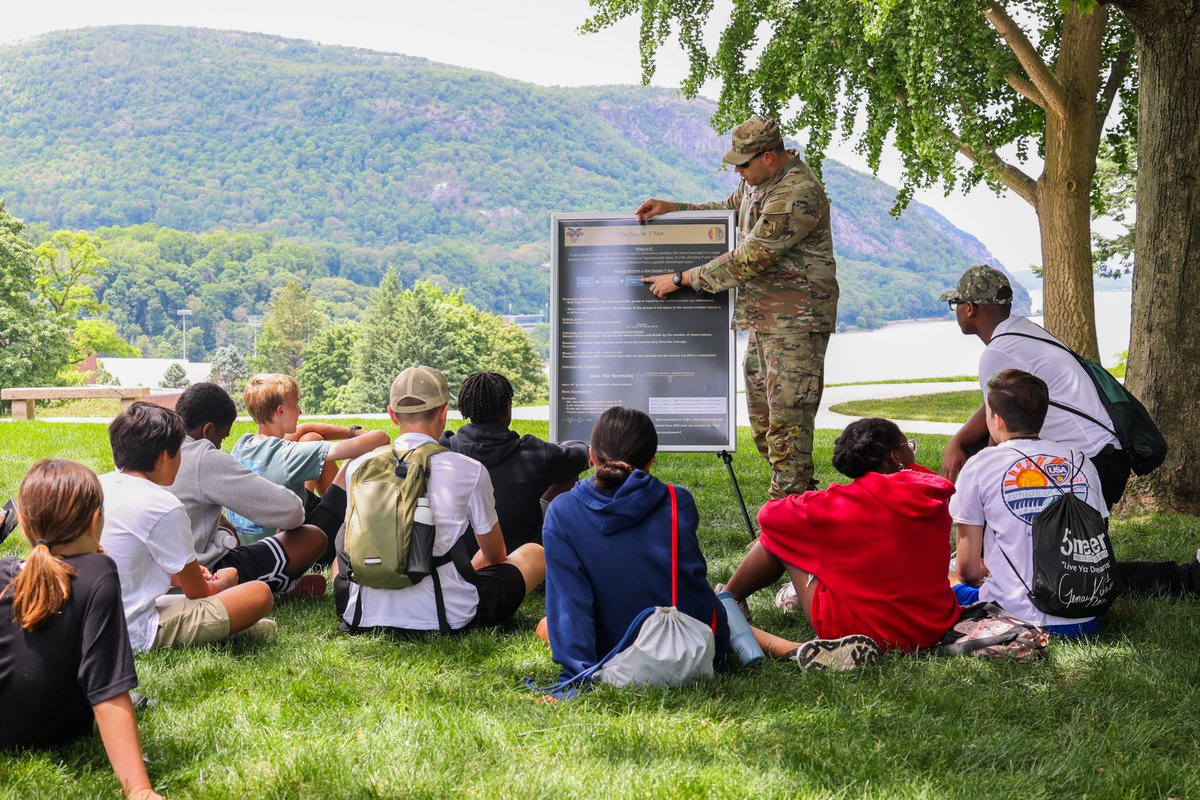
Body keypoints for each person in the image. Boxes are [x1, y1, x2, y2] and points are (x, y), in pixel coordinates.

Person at [636, 114, 839, 499]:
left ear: (768, 157)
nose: (737, 171)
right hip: (764, 320)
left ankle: (785, 519)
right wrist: (674, 207)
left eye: (743, 164)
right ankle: (800, 504)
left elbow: (752, 256)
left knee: (788, 427)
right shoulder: (757, 183)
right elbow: (728, 210)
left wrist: (681, 279)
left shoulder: (795, 193)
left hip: (796, 325)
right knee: (765, 424)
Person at [720, 417, 960, 660]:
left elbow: (768, 516)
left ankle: (727, 601)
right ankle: (729, 602)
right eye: (908, 445)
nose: (911, 451)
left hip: (865, 632)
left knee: (780, 535)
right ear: (896, 456)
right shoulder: (934, 495)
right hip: (931, 626)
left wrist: (810, 501)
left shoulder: (837, 505)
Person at [334, 366, 545, 635]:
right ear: (444, 412)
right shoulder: (469, 470)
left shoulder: (358, 466)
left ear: (392, 414)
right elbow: (495, 555)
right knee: (534, 554)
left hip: (362, 614)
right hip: (447, 616)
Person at [0, 460, 163, 800]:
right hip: (51, 729)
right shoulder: (98, 573)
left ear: (24, 524)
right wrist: (140, 790)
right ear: (95, 519)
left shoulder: (4, 571)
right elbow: (107, 690)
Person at [539, 406, 732, 682]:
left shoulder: (562, 511)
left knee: (545, 625)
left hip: (613, 653)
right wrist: (718, 649)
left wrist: (577, 673)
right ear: (652, 459)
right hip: (689, 648)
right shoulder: (678, 500)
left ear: (591, 456)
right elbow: (692, 584)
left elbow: (571, 604)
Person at [938, 265, 1131, 508]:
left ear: (969, 308)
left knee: (990, 474)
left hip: (1090, 463)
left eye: (955, 303)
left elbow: (997, 433)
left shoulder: (998, 351)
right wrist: (957, 441)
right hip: (1107, 456)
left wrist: (985, 483)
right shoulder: (1022, 330)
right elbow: (993, 406)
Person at [99, 402, 276, 652]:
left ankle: (232, 625)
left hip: (96, 621)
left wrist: (177, 576)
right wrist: (227, 580)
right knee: (259, 593)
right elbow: (200, 593)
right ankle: (233, 627)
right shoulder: (163, 504)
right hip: (133, 630)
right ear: (165, 455)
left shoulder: (97, 485)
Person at [949, 369, 1108, 638]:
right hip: (1087, 613)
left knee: (946, 575)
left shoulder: (979, 465)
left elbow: (968, 572)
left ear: (997, 420)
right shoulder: (1081, 460)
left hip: (1018, 614)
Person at [166, 382, 327, 596]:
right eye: (222, 437)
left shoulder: (154, 449)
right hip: (203, 575)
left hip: (151, 578)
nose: (220, 446)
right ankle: (272, 587)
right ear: (208, 430)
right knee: (312, 538)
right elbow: (292, 511)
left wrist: (220, 520)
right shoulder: (203, 457)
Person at [229, 373, 389, 563]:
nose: (300, 412)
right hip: (293, 551)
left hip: (254, 549)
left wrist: (351, 431)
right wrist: (369, 434)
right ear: (280, 411)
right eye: (296, 405)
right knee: (353, 458)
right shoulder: (287, 454)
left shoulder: (242, 445)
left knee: (311, 438)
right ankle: (360, 529)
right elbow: (380, 439)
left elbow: (306, 429)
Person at [440, 371, 588, 551]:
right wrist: (559, 447)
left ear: (466, 408)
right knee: (568, 472)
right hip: (521, 557)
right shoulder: (534, 454)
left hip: (460, 559)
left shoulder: (443, 450)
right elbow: (582, 455)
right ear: (507, 408)